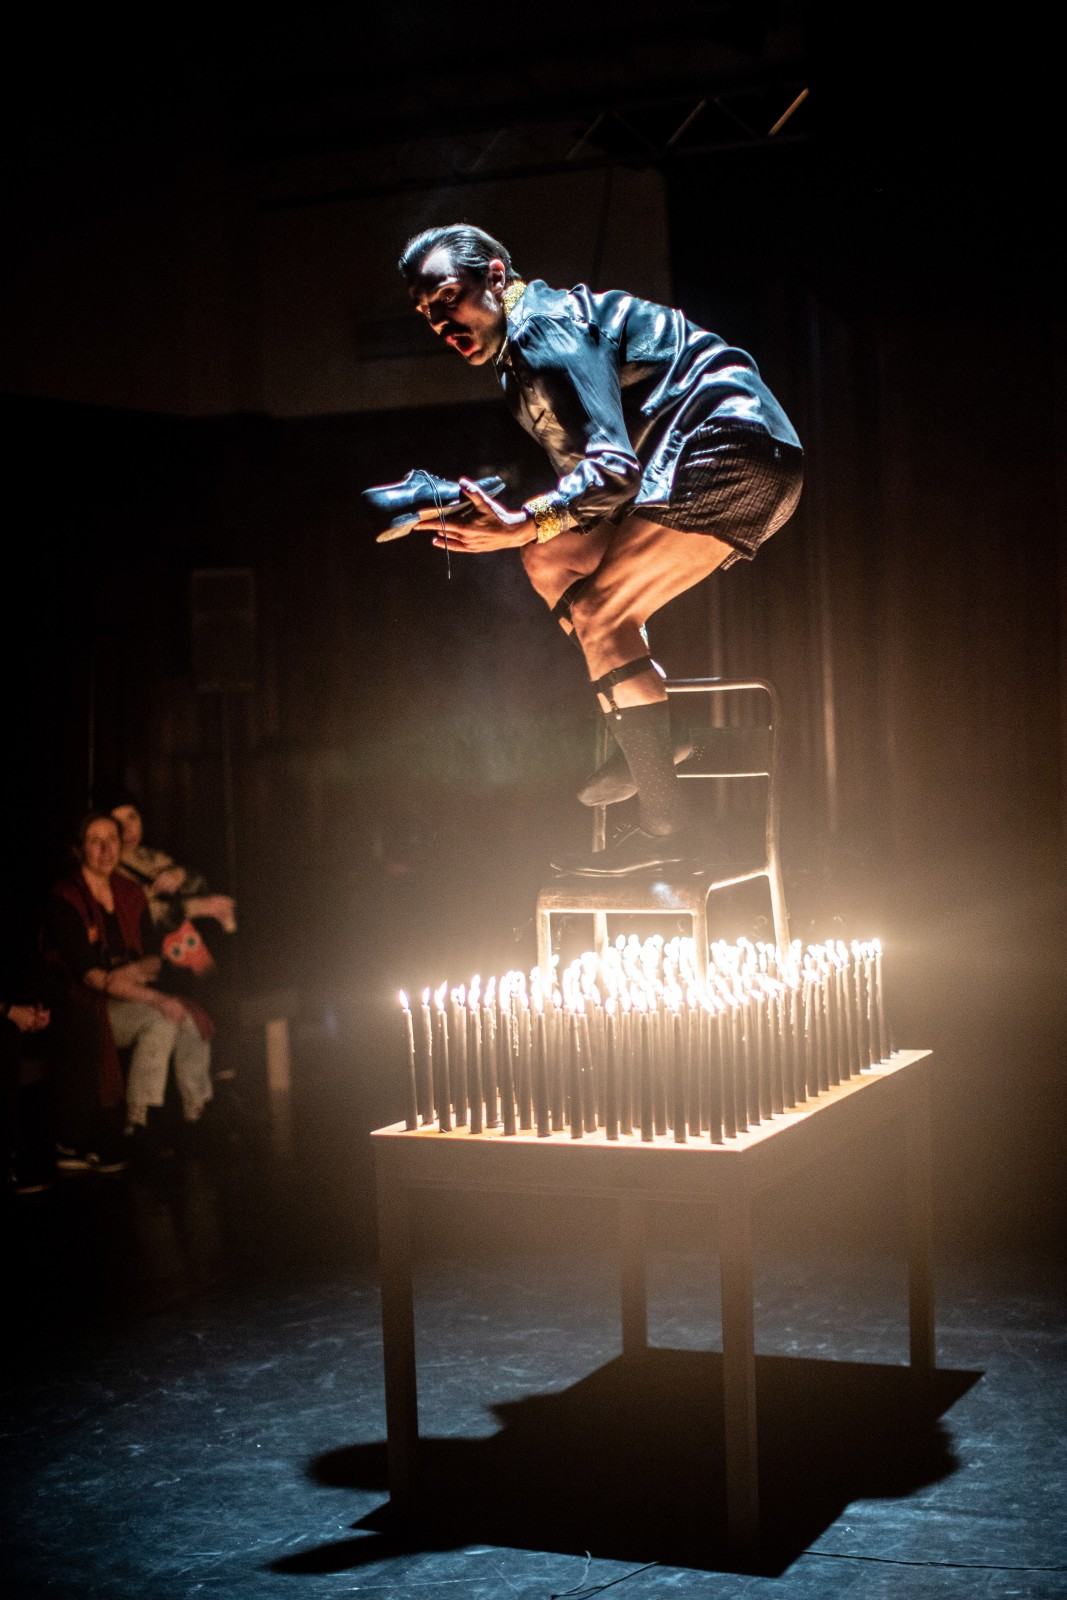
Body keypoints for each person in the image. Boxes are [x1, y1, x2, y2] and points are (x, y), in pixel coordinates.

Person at [396, 224, 803, 874]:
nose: (440, 322)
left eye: (446, 297)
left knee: (596, 610)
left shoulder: (542, 331)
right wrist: (517, 522)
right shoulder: (522, 355)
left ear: (496, 276)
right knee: (551, 559)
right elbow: (592, 496)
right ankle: (660, 737)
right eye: (425, 313)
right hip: (710, 460)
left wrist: (522, 521)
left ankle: (668, 836)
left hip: (727, 453)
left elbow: (612, 472)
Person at [43, 812, 213, 1151]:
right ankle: (139, 1119)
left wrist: (127, 974)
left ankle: (197, 1112)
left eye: (112, 841)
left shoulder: (130, 892)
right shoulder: (66, 898)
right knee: (161, 1019)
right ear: (79, 849)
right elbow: (93, 978)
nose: (106, 850)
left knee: (191, 1018)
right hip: (86, 1005)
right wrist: (151, 995)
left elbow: (153, 959)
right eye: (95, 841)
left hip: (129, 990)